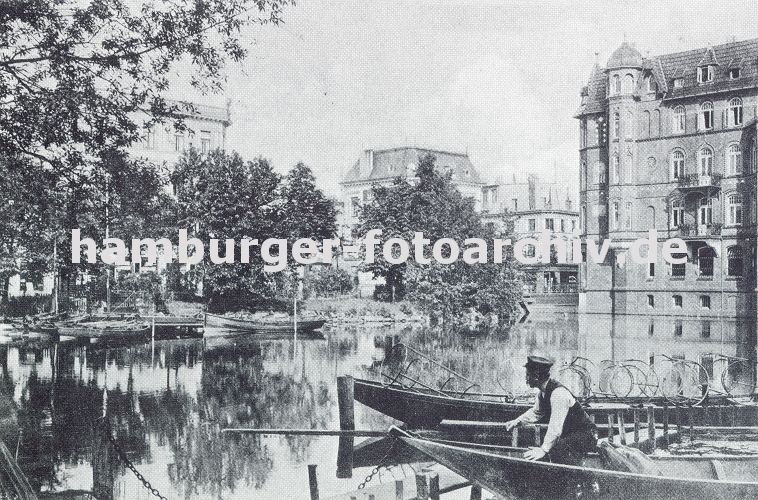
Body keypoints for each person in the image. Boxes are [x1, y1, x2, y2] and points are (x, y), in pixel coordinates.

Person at [505, 355, 597, 465]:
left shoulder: (558, 394)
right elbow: (536, 412)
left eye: (528, 375)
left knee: (557, 452)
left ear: (536, 376)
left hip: (586, 435)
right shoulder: (542, 393)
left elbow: (555, 427)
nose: (526, 378)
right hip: (571, 434)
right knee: (552, 448)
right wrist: (517, 421)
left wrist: (543, 449)